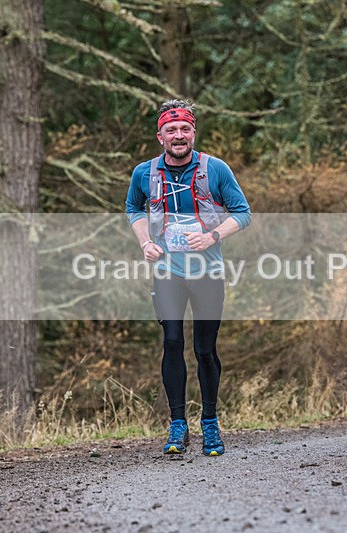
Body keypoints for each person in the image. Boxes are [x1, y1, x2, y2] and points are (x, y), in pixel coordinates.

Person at [125, 99, 251, 456]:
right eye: (171, 130)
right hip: (167, 272)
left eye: (184, 129)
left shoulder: (215, 169)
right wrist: (145, 242)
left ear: (193, 133)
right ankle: (177, 425)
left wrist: (212, 236)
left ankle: (210, 423)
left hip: (208, 271)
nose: (178, 135)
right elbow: (133, 207)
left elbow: (243, 213)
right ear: (160, 136)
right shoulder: (145, 173)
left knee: (204, 348)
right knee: (172, 342)